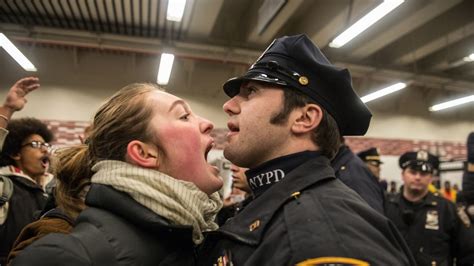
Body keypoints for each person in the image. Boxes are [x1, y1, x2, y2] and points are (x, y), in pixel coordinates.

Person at [198, 34, 414, 265]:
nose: (228, 105)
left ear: (304, 118)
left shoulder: (322, 239)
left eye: (251, 91)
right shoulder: (280, 206)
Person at [11, 83, 223, 265]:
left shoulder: (199, 239)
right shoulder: (68, 257)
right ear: (144, 153)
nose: (208, 123)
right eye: (184, 116)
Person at [385, 150, 474, 265]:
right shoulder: (387, 206)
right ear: (403, 175)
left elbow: (468, 251)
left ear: (431, 178)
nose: (417, 177)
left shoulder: (448, 209)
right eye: (412, 172)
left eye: (423, 174)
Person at [0, 77, 53, 265]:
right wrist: (7, 110)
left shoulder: (50, 190)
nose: (45, 149)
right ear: (16, 153)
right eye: (36, 144)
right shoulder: (5, 188)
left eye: (46, 144)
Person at [332, 142, 384, 213]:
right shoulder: (359, 178)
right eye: (375, 164)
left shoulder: (363, 180)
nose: (379, 169)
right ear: (364, 164)